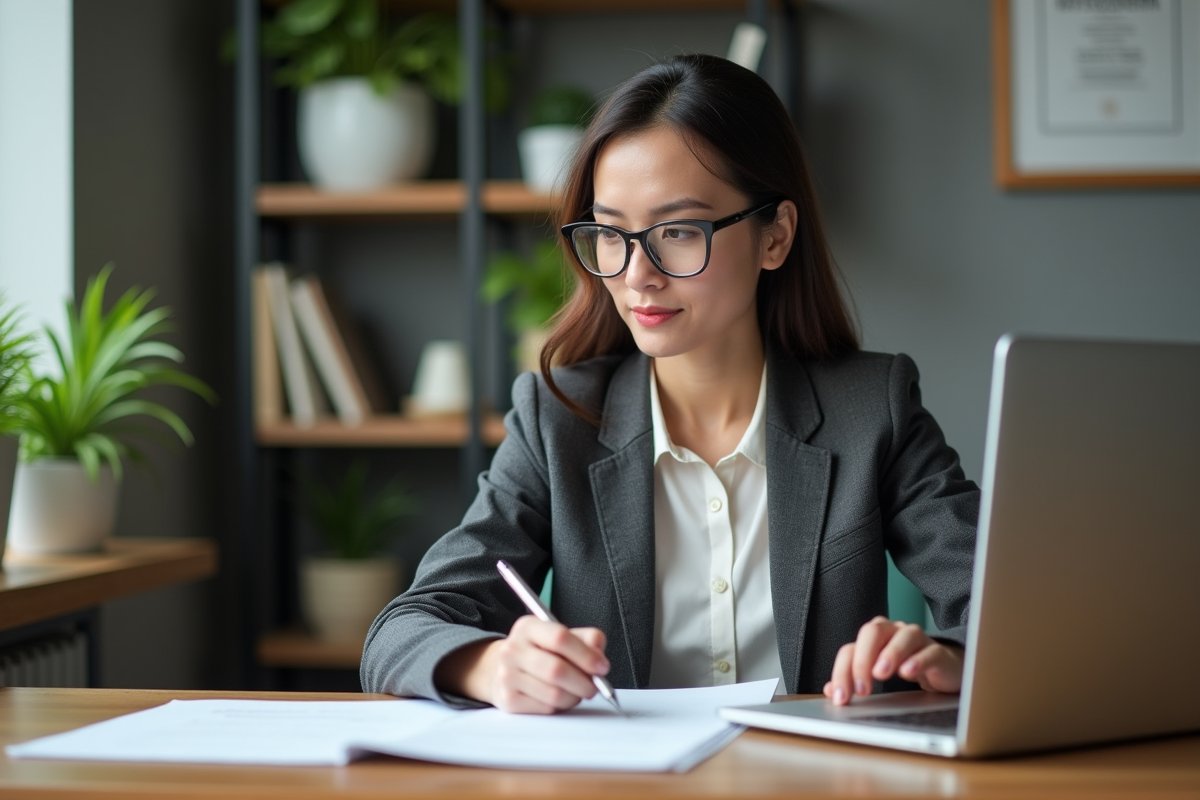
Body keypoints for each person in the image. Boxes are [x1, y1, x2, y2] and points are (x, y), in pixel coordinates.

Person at [361, 54, 978, 714]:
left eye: (678, 232)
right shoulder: (558, 418)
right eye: (610, 233)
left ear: (776, 236)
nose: (637, 275)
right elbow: (400, 633)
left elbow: (1009, 610)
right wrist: (488, 666)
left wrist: (950, 659)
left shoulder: (871, 407)